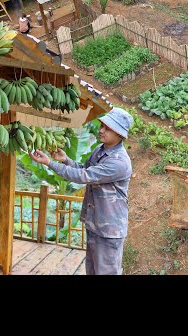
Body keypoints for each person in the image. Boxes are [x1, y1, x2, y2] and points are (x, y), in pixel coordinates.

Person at [29, 107, 134, 275]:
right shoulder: (100, 150)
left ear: (120, 134)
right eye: (102, 125)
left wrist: (50, 163)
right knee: (92, 271)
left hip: (109, 231)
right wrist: (66, 160)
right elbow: (84, 168)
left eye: (107, 128)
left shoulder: (119, 162)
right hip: (94, 225)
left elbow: (84, 176)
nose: (101, 130)